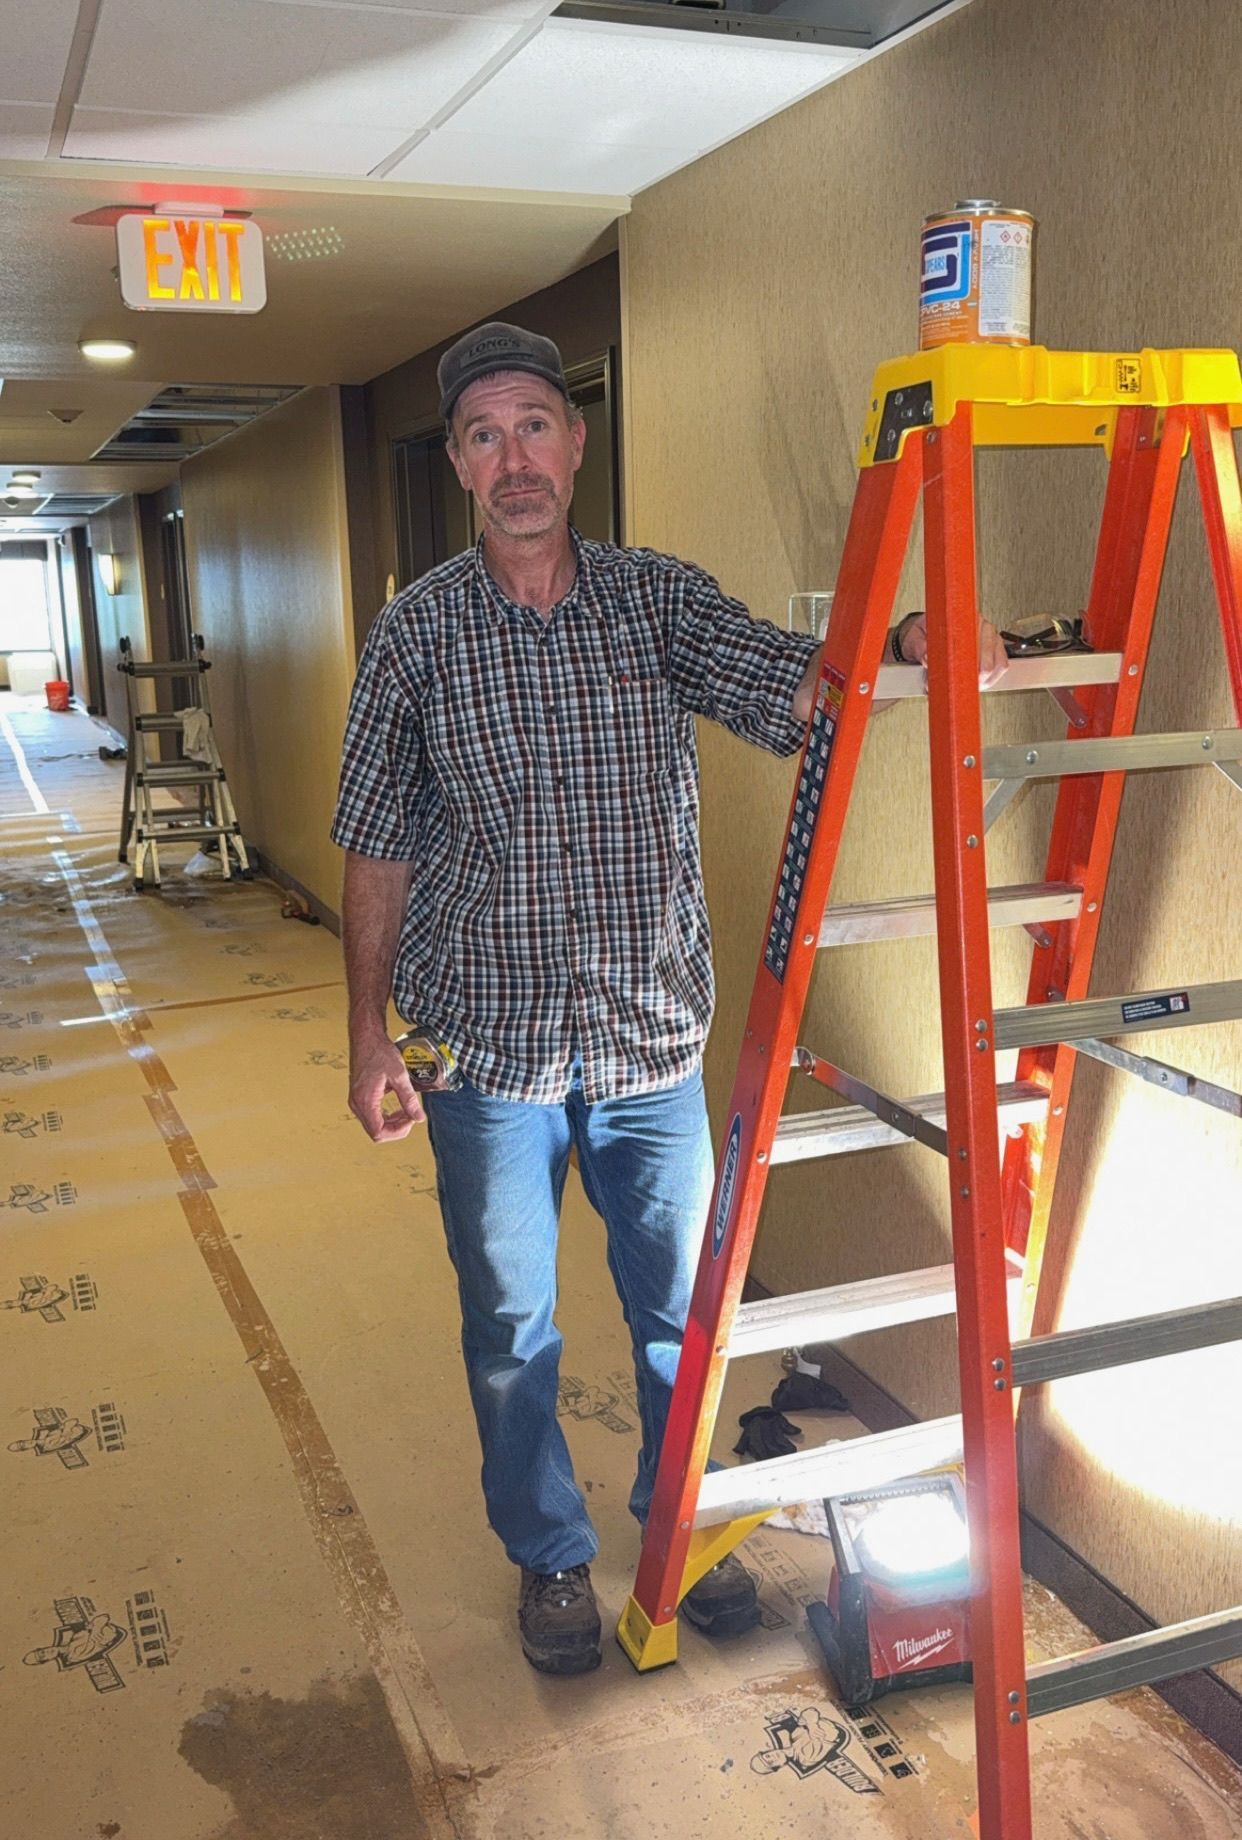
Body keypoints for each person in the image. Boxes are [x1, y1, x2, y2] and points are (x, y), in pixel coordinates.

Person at [332, 321, 1005, 1677]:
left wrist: (908, 635)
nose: (512, 455)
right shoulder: (416, 636)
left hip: (645, 1049)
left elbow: (795, 681)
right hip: (486, 1051)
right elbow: (377, 841)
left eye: (535, 424)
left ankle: (677, 1529)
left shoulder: (654, 600)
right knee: (512, 1328)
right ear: (459, 464)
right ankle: (552, 1560)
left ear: (575, 447)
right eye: (483, 433)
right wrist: (363, 1037)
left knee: (678, 1318)